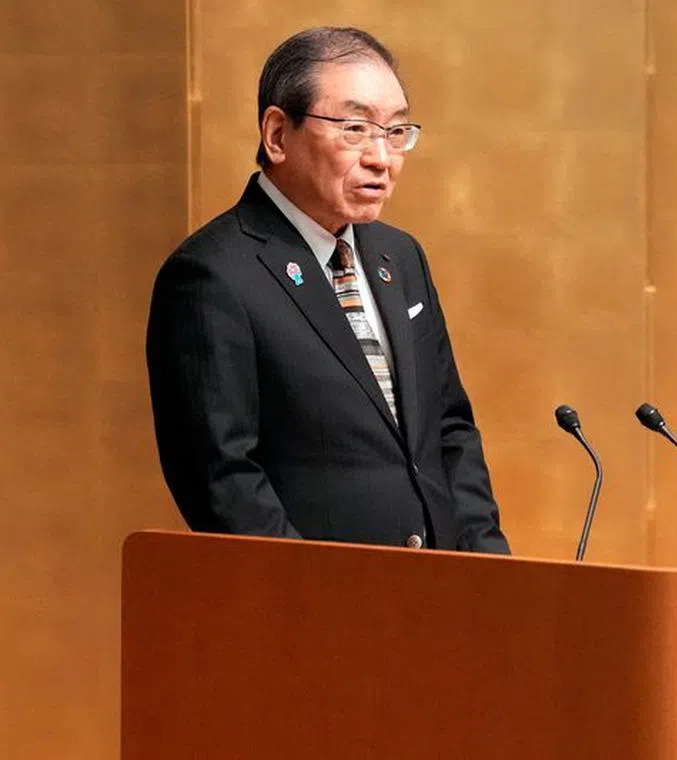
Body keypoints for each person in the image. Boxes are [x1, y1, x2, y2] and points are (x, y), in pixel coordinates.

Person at [146, 27, 509, 554]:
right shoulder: (211, 275)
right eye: (356, 128)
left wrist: (493, 573)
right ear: (277, 134)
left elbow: (450, 431)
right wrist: (316, 600)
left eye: (396, 131)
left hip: (442, 597)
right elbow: (222, 479)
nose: (382, 158)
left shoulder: (399, 258)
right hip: (316, 612)